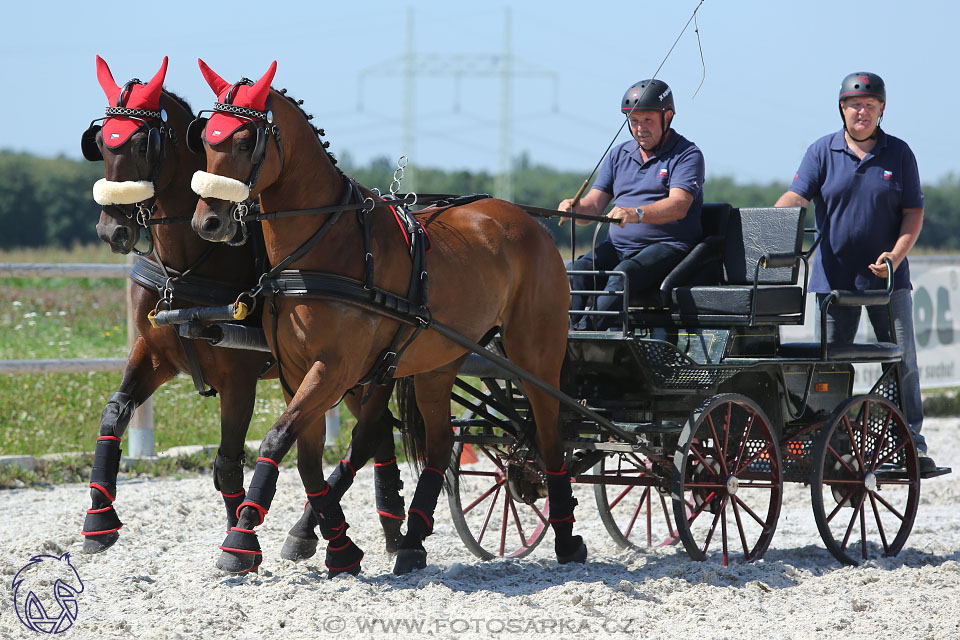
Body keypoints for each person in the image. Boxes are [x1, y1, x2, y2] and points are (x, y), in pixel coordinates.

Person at [774, 72, 935, 472]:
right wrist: (769, 219)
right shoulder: (821, 151)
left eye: (869, 105)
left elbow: (913, 213)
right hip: (834, 281)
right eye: (853, 104)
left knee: (902, 362)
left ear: (882, 109)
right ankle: (829, 439)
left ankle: (909, 441)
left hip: (889, 281)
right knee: (828, 363)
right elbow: (798, 195)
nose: (861, 111)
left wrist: (895, 257)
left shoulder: (899, 153)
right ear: (841, 108)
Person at [560, 79, 705, 330]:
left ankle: (585, 335)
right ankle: (570, 335)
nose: (640, 129)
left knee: (621, 276)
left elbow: (679, 205)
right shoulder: (618, 155)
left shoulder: (687, 154)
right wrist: (575, 209)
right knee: (576, 270)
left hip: (668, 247)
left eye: (647, 120)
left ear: (667, 116)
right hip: (617, 246)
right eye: (634, 121)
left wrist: (636, 214)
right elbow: (593, 208)